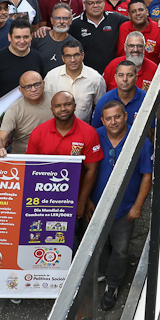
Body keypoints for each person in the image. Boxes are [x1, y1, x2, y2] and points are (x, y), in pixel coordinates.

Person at [90, 99, 153, 310]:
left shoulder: (141, 142)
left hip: (124, 209)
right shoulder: (95, 136)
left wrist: (138, 205)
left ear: (126, 116)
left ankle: (113, 284)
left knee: (121, 249)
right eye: (108, 118)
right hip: (96, 207)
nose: (113, 122)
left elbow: (146, 176)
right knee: (98, 245)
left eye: (117, 116)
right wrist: (87, 200)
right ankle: (101, 271)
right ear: (102, 120)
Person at [25, 92, 102, 239]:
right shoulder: (39, 132)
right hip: (44, 200)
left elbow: (92, 170)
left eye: (67, 104)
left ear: (74, 106)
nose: (63, 109)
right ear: (51, 109)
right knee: (42, 238)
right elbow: (31, 168)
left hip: (73, 199)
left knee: (70, 240)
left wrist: (82, 201)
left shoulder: (88, 133)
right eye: (58, 106)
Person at [0, 72, 53, 154]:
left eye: (37, 84)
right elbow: (1, 138)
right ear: (21, 90)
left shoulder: (56, 101)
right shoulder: (14, 109)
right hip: (22, 157)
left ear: (43, 84)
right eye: (28, 87)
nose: (33, 89)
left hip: (52, 155)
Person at [45, 40, 107, 122]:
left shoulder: (95, 78)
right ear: (63, 58)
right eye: (68, 56)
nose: (73, 60)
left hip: (84, 131)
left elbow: (101, 107)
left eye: (76, 55)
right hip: (56, 129)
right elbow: (45, 104)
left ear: (83, 55)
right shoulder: (51, 76)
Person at [70, 0, 128, 75]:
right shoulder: (74, 24)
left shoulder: (116, 18)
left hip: (112, 74)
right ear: (84, 4)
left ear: (104, 1)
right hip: (85, 75)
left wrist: (155, 22)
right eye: (91, 3)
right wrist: (44, 29)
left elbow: (137, 23)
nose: (95, 5)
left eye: (99, 2)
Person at [0, 20, 47, 97]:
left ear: (31, 36)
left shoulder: (38, 57)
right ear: (9, 37)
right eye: (17, 37)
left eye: (26, 37)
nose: (22, 41)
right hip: (3, 108)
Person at [91, 60, 146, 127]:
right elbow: (95, 129)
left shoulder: (146, 100)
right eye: (121, 75)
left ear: (136, 78)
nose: (125, 79)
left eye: (129, 75)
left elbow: (153, 131)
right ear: (115, 78)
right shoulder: (104, 101)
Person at [117, 0, 160, 64]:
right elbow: (120, 55)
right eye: (133, 11)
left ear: (147, 12)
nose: (138, 13)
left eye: (141, 10)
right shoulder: (123, 28)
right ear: (129, 16)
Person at [33, 4, 81, 75]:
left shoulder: (75, 45)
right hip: (39, 84)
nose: (61, 22)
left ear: (70, 21)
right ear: (51, 20)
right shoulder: (40, 37)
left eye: (65, 18)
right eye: (57, 18)